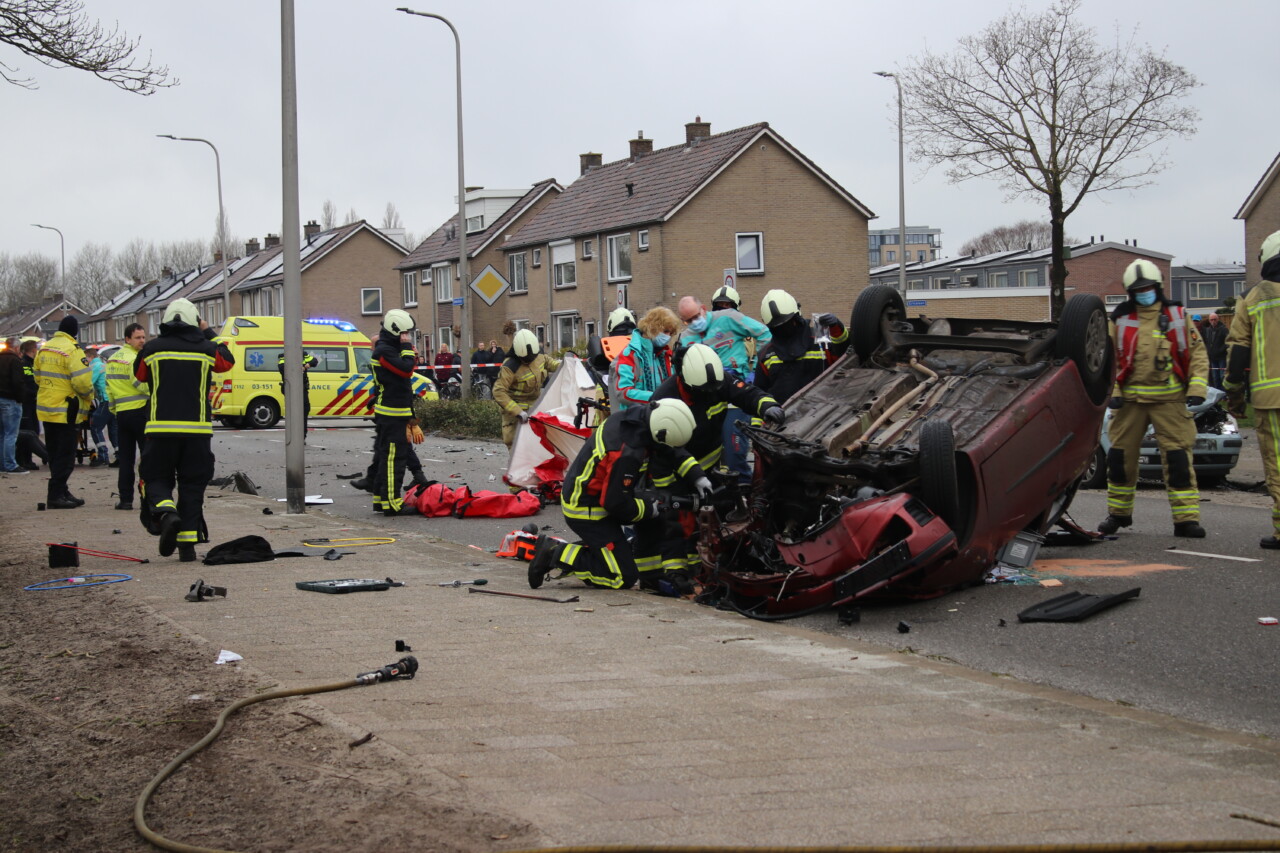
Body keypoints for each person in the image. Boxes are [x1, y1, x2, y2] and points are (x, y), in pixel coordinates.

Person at [526, 398, 706, 591]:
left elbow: (666, 448)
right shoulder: (627, 454)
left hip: (600, 496)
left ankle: (651, 577)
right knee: (623, 576)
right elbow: (615, 503)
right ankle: (554, 553)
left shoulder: (639, 418)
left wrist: (697, 475)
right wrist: (648, 508)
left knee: (653, 512)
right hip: (587, 511)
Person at [649, 344, 783, 581]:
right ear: (684, 379)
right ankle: (676, 571)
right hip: (671, 470)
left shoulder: (715, 381)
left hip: (707, 466)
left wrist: (767, 406)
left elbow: (746, 393)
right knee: (675, 520)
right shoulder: (664, 399)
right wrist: (692, 476)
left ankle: (714, 564)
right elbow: (667, 449)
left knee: (718, 513)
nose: (710, 394)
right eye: (703, 390)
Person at [1098, 260, 1209, 539]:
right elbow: (1107, 359)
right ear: (1129, 292)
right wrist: (1114, 394)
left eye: (1147, 288)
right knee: (1120, 459)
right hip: (1130, 401)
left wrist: (1197, 388)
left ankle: (1186, 520)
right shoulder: (1120, 319)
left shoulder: (1176, 315)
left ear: (1157, 287)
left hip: (1170, 400)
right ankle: (1118, 514)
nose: (1143, 293)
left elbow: (1197, 354)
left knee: (1178, 460)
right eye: (1137, 290)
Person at [135, 298, 235, 561]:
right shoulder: (206, 349)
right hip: (197, 432)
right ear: (195, 321)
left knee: (155, 477)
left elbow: (140, 375)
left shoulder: (152, 349)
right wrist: (208, 331)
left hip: (160, 429)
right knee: (192, 486)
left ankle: (167, 514)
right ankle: (187, 548)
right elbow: (228, 361)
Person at [678, 292, 774, 483]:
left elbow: (764, 334)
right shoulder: (685, 339)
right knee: (708, 449)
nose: (695, 322)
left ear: (704, 309)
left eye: (696, 316)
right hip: (706, 399)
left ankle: (745, 490)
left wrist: (757, 368)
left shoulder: (728, 318)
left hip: (733, 392)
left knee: (733, 447)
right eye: (689, 321)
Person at [1224, 230, 1280, 549]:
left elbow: (1238, 352)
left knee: (1278, 463)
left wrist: (1234, 396)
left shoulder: (1255, 298)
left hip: (1272, 399)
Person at [35, 316, 94, 508]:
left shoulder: (44, 348)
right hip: (66, 410)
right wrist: (89, 396)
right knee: (66, 456)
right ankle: (55, 495)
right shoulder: (73, 350)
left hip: (46, 409)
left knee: (54, 454)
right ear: (75, 332)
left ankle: (62, 490)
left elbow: (37, 376)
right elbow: (82, 383)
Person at [753, 289, 849, 404]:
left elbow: (845, 358)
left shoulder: (820, 339)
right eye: (777, 327)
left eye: (787, 323)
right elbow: (760, 395)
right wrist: (759, 421)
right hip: (784, 419)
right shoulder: (766, 354)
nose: (783, 329)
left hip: (823, 415)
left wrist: (836, 328)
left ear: (796, 316)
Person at [370, 309, 420, 516]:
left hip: (395, 412)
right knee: (394, 460)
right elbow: (406, 370)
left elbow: (403, 384)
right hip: (391, 414)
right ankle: (392, 503)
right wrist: (408, 348)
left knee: (386, 458)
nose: (406, 337)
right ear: (395, 330)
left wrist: (412, 419)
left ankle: (380, 500)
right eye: (404, 334)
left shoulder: (389, 347)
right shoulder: (384, 351)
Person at [493, 328, 561, 448]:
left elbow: (550, 364)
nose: (530, 360)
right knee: (517, 447)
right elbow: (498, 392)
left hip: (535, 409)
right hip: (515, 415)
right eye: (526, 358)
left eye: (532, 357)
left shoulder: (538, 355)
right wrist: (518, 412)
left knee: (540, 444)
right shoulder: (510, 366)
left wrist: (566, 363)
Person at [105, 323, 149, 510]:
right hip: (140, 411)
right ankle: (148, 498)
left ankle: (125, 499)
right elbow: (141, 384)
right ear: (127, 339)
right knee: (147, 458)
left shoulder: (113, 360)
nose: (142, 341)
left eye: (143, 337)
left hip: (122, 415)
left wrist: (115, 410)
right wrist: (154, 391)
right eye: (138, 338)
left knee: (126, 460)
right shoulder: (134, 359)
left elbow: (109, 390)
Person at [610, 306, 679, 411]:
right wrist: (656, 398)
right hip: (634, 420)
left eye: (671, 333)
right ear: (652, 328)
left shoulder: (666, 355)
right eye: (665, 331)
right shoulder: (629, 355)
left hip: (662, 415)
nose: (668, 336)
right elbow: (623, 392)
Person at [15, 339, 48, 471]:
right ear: (33, 350)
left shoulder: (31, 364)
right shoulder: (25, 365)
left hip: (32, 402)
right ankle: (25, 460)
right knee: (28, 431)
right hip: (27, 403)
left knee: (33, 431)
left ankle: (28, 459)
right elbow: (28, 383)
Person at [277, 348, 320, 435]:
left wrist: (308, 365)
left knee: (305, 409)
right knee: (293, 412)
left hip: (303, 388)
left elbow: (315, 361)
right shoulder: (284, 356)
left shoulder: (303, 355)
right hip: (291, 389)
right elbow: (282, 368)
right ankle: (293, 435)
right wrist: (298, 368)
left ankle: (302, 435)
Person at [85, 346, 116, 466]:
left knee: (95, 426)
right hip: (113, 400)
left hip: (105, 401)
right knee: (113, 429)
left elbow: (88, 384)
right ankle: (119, 455)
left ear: (90, 357)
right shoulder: (104, 365)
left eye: (85, 358)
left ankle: (103, 456)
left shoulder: (94, 366)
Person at [0, 337, 25, 474]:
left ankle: (2, 464)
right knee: (11, 434)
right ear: (16, 348)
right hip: (11, 400)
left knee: (2, 434)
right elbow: (17, 382)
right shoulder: (15, 360)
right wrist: (21, 398)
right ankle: (10, 464)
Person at [1201, 312, 1228, 389]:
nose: (1213, 321)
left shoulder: (1223, 329)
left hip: (1221, 357)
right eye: (1211, 320)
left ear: (1218, 319)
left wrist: (1221, 350)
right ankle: (1218, 392)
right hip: (1212, 357)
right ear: (1209, 320)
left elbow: (1227, 342)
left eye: (1215, 319)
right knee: (1215, 377)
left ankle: (1224, 393)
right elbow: (1207, 342)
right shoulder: (1208, 330)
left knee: (1222, 375)